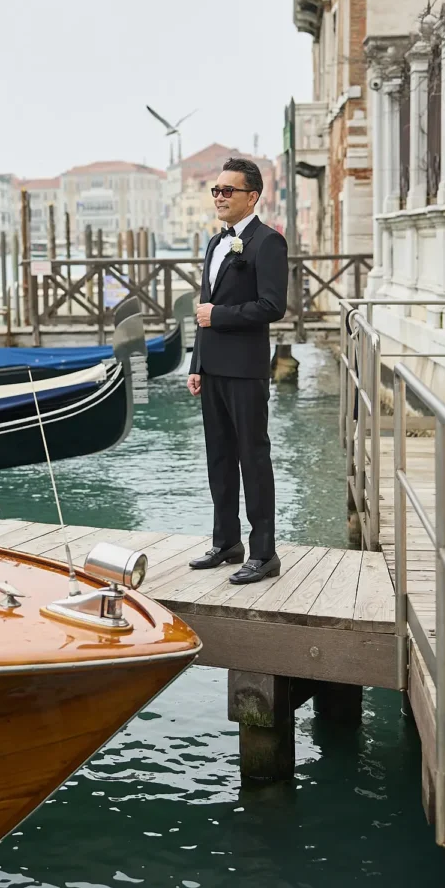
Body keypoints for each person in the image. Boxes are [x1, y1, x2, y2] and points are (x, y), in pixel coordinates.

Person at [187, 157, 288, 585]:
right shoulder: (214, 243)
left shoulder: (268, 243)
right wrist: (196, 363)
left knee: (253, 459)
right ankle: (227, 542)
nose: (220, 197)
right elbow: (202, 312)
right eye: (216, 190)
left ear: (252, 196)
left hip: (246, 371)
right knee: (220, 459)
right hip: (212, 370)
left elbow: (272, 307)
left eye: (228, 191)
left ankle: (264, 553)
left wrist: (219, 316)